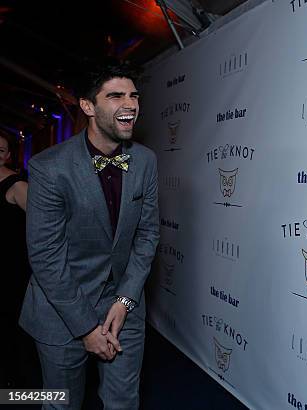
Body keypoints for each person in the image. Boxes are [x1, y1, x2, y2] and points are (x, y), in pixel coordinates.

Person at [20, 61, 160, 409]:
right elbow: (46, 258)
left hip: (122, 306)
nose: (130, 104)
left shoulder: (145, 161)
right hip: (62, 310)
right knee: (60, 403)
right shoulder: (49, 167)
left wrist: (126, 300)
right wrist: (85, 328)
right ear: (88, 107)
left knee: (123, 402)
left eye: (133, 95)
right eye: (115, 96)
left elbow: (147, 235)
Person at [0, 132, 34, 388]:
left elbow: (47, 225)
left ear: (9, 156)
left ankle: (15, 382)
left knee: (11, 324)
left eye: (1, 150)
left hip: (10, 268)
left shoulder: (17, 185)